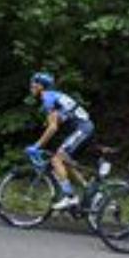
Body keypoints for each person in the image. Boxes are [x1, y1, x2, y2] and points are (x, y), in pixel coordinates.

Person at [27, 72, 96, 211]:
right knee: (65, 161)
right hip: (84, 128)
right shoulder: (54, 95)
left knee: (56, 159)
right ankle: (90, 191)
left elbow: (53, 128)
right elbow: (57, 122)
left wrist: (37, 145)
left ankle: (70, 197)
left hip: (83, 128)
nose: (31, 86)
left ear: (41, 86)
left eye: (33, 83)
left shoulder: (48, 97)